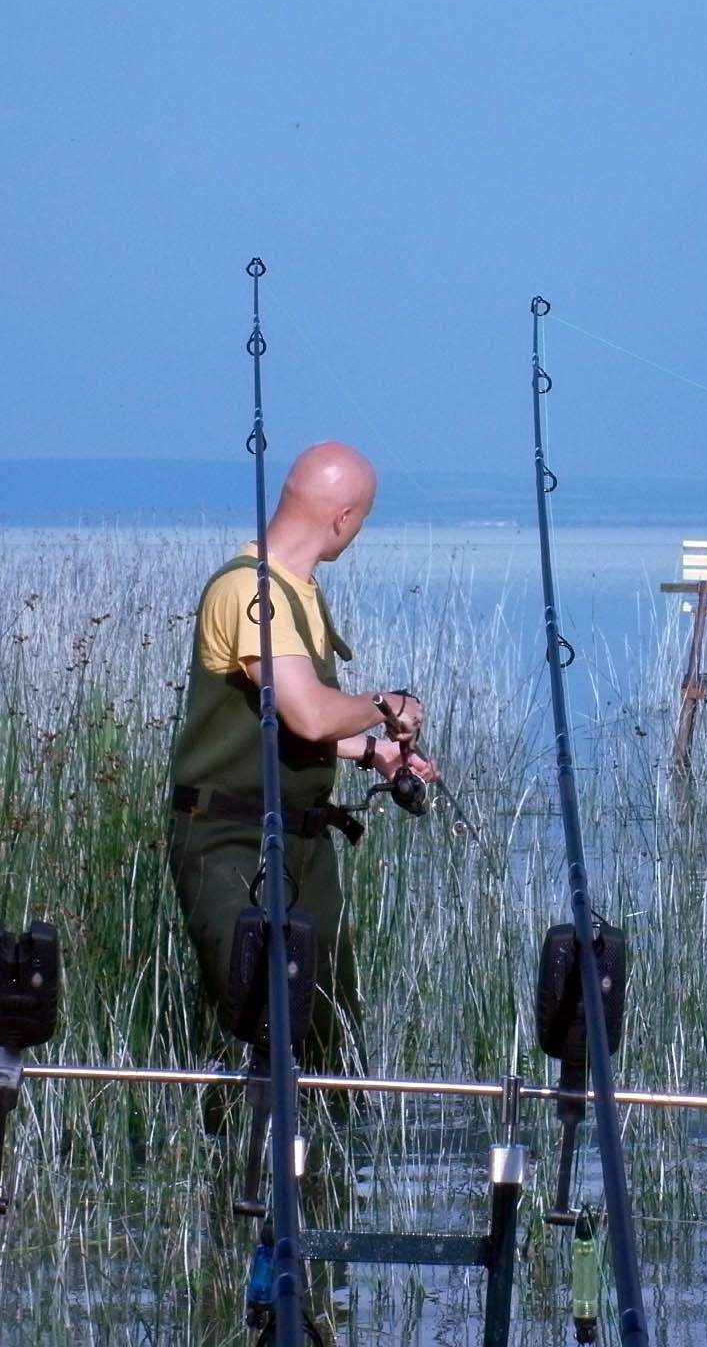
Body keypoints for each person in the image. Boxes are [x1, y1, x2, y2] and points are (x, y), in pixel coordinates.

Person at [165, 441, 435, 1072]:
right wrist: (388, 704)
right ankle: (243, 1162)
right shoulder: (248, 592)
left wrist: (374, 755)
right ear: (343, 518)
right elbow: (308, 711)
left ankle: (325, 1164)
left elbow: (283, 723)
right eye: (361, 520)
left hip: (301, 844)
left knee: (323, 1031)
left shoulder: (300, 591)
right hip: (231, 839)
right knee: (258, 1018)